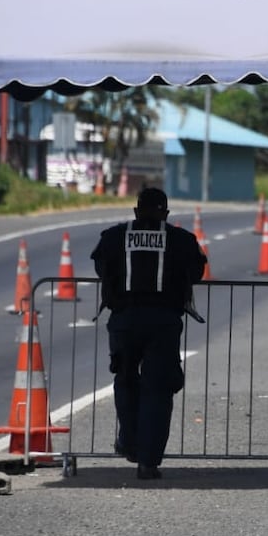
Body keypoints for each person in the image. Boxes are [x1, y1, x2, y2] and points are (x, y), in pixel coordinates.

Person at [90, 187, 206, 480]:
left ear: (136, 211)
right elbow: (196, 271)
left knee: (126, 381)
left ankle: (130, 443)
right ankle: (148, 462)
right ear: (165, 214)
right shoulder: (181, 240)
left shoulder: (114, 237)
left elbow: (100, 267)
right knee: (158, 390)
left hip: (125, 321)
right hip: (163, 323)